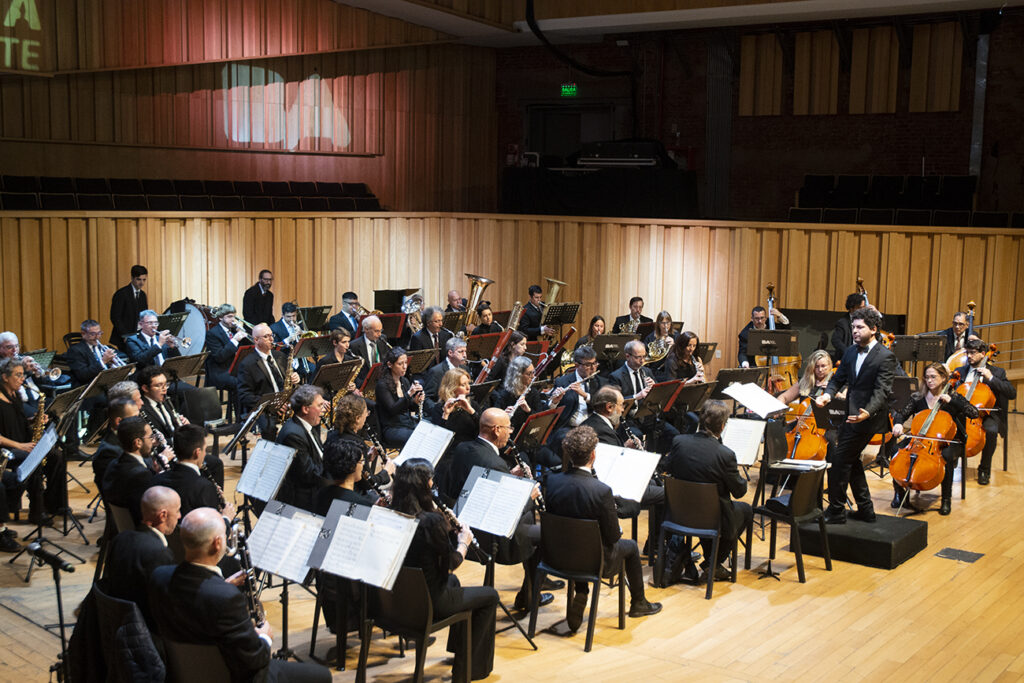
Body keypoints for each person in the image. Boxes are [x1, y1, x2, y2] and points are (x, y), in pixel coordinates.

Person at [148, 507, 331, 683]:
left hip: (183, 672)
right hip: (232, 675)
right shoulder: (227, 597)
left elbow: (196, 602)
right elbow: (255, 660)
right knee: (322, 676)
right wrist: (265, 637)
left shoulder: (159, 576)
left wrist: (222, 585)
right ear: (217, 543)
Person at [545, 425, 662, 631]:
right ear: (593, 455)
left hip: (556, 556)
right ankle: (639, 603)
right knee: (630, 547)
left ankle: (582, 591)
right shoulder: (601, 490)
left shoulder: (552, 481)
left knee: (577, 538)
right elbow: (613, 536)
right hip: (595, 563)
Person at [391, 459, 498, 681]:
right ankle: (469, 670)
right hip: (428, 603)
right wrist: (463, 543)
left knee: (454, 583)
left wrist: (446, 530)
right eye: (431, 481)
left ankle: (460, 650)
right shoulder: (430, 523)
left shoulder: (392, 512)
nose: (433, 485)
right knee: (490, 596)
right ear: (425, 485)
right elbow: (450, 563)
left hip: (397, 599)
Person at [815, 307, 897, 524]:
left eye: (860, 327)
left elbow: (881, 391)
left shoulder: (885, 356)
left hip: (869, 418)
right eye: (853, 327)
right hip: (850, 415)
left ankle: (836, 510)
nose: (855, 331)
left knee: (839, 460)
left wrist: (867, 412)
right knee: (852, 460)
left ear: (874, 329)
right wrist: (827, 395)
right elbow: (837, 379)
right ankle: (866, 509)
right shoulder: (851, 351)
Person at [664, 400, 752, 580]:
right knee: (745, 510)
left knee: (710, 508)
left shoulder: (679, 442)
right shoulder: (725, 454)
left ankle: (711, 562)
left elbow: (668, 468)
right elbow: (739, 492)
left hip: (678, 514)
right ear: (722, 426)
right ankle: (713, 562)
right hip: (710, 519)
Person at [891, 362, 978, 515]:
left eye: (933, 377)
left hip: (948, 441)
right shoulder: (918, 397)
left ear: (944, 378)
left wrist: (953, 402)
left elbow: (974, 413)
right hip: (920, 439)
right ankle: (899, 493)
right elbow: (901, 414)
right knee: (895, 449)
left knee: (946, 456)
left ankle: (946, 499)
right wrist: (898, 424)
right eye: (927, 377)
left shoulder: (953, 396)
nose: (929, 380)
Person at [102, 486, 180, 625]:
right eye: (178, 510)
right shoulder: (159, 553)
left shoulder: (120, 538)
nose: (179, 516)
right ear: (163, 515)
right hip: (144, 628)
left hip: (113, 621)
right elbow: (166, 607)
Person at [0, 356, 56, 526]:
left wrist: (35, 420)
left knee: (56, 456)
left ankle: (55, 504)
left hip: (21, 443)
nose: (22, 379)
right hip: (6, 449)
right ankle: (36, 511)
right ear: (5, 377)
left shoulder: (15, 395)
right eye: (18, 375)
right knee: (33, 459)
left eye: (23, 374)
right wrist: (20, 445)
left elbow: (19, 422)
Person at [953, 338, 1016, 485]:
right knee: (948, 425)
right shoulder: (960, 372)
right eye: (967, 353)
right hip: (962, 412)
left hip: (988, 414)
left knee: (991, 431)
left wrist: (991, 378)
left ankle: (984, 469)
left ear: (983, 354)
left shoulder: (997, 372)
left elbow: (1012, 393)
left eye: (973, 353)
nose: (969, 356)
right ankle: (952, 458)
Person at [151, 423, 226, 518]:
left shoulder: (156, 480)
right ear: (197, 453)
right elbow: (212, 524)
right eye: (205, 450)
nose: (205, 454)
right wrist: (226, 517)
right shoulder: (204, 487)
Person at [237, 323, 299, 436]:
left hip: (286, 402)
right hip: (265, 407)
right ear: (256, 340)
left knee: (308, 411)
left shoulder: (280, 356)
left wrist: (295, 377)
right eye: (266, 336)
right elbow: (245, 395)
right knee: (269, 428)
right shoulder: (247, 364)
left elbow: (289, 380)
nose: (271, 339)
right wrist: (272, 405)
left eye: (271, 335)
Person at [275, 385, 328, 512]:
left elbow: (319, 456)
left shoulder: (308, 424)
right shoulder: (293, 435)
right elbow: (308, 475)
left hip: (315, 485)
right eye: (320, 405)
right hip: (304, 499)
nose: (323, 410)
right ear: (305, 409)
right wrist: (336, 470)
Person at [328, 393, 393, 497]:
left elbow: (343, 463)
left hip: (332, 490)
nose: (367, 415)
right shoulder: (357, 443)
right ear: (357, 418)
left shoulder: (331, 434)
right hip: (352, 494)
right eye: (366, 412)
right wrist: (386, 472)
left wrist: (364, 458)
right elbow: (366, 483)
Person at [102, 416, 158, 525]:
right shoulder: (141, 476)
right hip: (141, 530)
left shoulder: (113, 464)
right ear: (138, 442)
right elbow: (147, 514)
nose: (153, 441)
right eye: (150, 437)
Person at [375, 347, 425, 446]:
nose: (405, 367)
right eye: (400, 364)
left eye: (406, 362)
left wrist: (415, 401)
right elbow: (393, 410)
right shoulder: (382, 385)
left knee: (428, 433)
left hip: (407, 423)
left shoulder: (404, 381)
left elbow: (409, 408)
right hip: (392, 428)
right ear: (390, 364)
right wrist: (409, 394)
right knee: (417, 438)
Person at [203, 304, 250, 393]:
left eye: (234, 317)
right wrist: (235, 340)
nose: (233, 320)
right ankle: (237, 403)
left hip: (234, 368)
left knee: (254, 378)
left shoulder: (234, 330)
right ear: (220, 317)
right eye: (229, 317)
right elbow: (220, 357)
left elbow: (247, 349)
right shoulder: (212, 333)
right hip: (220, 371)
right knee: (241, 383)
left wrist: (244, 334)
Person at [109, 265, 148, 349]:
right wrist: (125, 335)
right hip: (124, 337)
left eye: (144, 280)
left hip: (138, 336)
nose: (142, 283)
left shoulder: (143, 295)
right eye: (139, 279)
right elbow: (115, 317)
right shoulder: (121, 294)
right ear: (132, 278)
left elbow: (144, 315)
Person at [349, 315, 391, 387]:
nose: (379, 334)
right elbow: (353, 372)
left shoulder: (382, 339)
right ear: (366, 329)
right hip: (364, 384)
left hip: (382, 381)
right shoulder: (354, 346)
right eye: (376, 331)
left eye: (381, 331)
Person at [831, 292, 867, 362]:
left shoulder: (866, 321)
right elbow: (835, 340)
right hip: (847, 359)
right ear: (851, 308)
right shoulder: (842, 323)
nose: (863, 311)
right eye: (860, 308)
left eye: (864, 307)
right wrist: (848, 352)